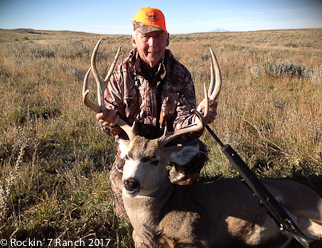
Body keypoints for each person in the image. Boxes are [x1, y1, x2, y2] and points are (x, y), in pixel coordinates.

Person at [96, 7, 218, 218]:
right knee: (125, 214)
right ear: (134, 40)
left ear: (167, 39)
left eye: (158, 36)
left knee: (195, 154)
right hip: (133, 151)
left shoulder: (180, 74)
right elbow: (110, 124)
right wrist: (109, 121)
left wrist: (198, 117)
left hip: (164, 148)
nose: (153, 44)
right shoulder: (119, 74)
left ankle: (174, 190)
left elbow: (184, 123)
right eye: (146, 37)